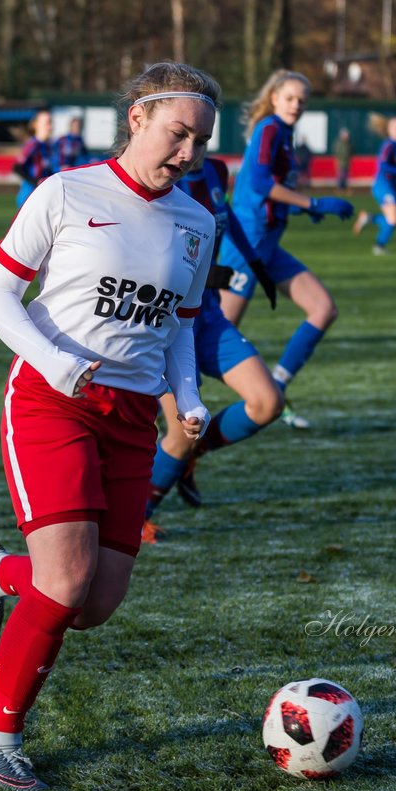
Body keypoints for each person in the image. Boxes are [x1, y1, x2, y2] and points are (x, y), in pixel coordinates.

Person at [0, 61, 219, 791]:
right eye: (177, 134)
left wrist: (187, 399)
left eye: (198, 141)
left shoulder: (198, 221)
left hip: (135, 418)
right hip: (52, 401)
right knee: (68, 578)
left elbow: (177, 329)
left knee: (94, 604)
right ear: (136, 117)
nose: (187, 154)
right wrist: (54, 361)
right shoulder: (68, 192)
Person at [143, 155, 283, 541]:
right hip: (169, 325)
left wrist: (256, 263)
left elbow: (226, 219)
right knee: (179, 431)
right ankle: (139, 515)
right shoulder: (163, 180)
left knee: (268, 402)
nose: (193, 145)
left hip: (209, 318)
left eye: (202, 136)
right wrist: (213, 275)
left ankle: (195, 453)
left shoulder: (218, 171)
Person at [216, 69, 354, 429]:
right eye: (290, 97)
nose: (296, 105)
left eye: (302, 100)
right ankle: (156, 405)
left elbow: (262, 190)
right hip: (247, 244)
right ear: (275, 97)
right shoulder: (270, 129)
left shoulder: (284, 134)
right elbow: (260, 184)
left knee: (323, 309)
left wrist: (295, 208)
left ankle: (276, 387)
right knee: (211, 339)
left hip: (269, 243)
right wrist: (313, 204)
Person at [352, 115, 396, 255]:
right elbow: (382, 166)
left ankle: (369, 218)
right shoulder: (388, 145)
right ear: (389, 129)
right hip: (382, 186)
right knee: (394, 219)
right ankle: (379, 247)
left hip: (392, 187)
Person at [12, 109, 56, 208]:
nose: (50, 127)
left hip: (43, 196)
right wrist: (35, 182)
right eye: (47, 123)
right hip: (29, 197)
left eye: (51, 122)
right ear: (36, 125)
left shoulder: (48, 146)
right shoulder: (32, 145)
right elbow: (17, 167)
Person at [334, 127, 352, 193]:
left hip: (346, 162)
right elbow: (338, 153)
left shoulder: (348, 144)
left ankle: (345, 188)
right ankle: (339, 189)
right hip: (341, 162)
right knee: (340, 176)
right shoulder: (339, 144)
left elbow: (349, 153)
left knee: (345, 176)